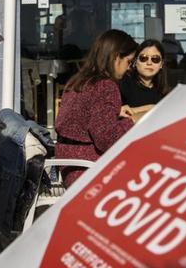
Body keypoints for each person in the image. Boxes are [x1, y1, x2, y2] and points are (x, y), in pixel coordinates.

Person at [55, 30, 138, 188]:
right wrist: (132, 121)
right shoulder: (106, 86)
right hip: (90, 170)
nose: (130, 69)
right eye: (129, 62)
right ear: (115, 57)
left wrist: (115, 111)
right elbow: (107, 139)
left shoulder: (78, 81)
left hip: (69, 167)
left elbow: (77, 117)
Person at [120, 39, 169, 112]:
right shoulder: (124, 83)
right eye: (143, 58)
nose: (149, 63)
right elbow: (115, 113)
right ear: (135, 61)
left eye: (155, 59)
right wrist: (150, 108)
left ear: (161, 64)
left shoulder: (163, 91)